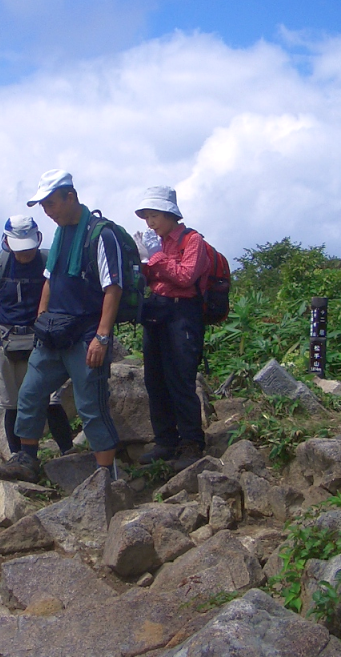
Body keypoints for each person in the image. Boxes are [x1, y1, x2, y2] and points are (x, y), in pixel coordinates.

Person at [0, 170, 122, 482]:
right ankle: (26, 460)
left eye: (51, 204)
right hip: (52, 335)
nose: (47, 212)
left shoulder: (99, 234)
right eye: (44, 206)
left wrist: (102, 337)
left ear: (70, 197)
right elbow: (49, 281)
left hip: (87, 336)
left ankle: (106, 476)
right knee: (30, 394)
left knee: (91, 405)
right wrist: (41, 321)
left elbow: (113, 288)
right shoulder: (61, 235)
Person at [0, 215, 75, 457]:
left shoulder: (48, 261)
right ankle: (19, 457)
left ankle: (67, 454)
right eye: (20, 248)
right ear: (7, 242)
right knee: (13, 404)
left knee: (50, 400)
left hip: (44, 341)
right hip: (8, 342)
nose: (25, 254)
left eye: (29, 247)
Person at [133, 186, 212, 471]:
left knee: (180, 377)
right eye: (147, 217)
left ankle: (191, 442)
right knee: (155, 379)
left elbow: (186, 276)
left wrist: (155, 258)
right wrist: (143, 261)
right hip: (158, 309)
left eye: (154, 216)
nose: (150, 223)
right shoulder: (158, 242)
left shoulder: (192, 241)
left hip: (182, 312)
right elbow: (151, 278)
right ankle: (165, 441)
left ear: (169, 214)